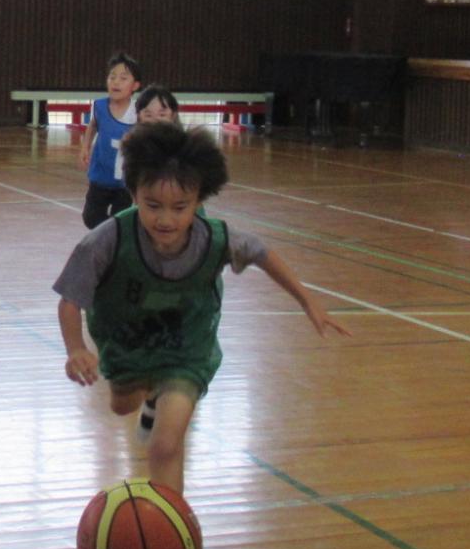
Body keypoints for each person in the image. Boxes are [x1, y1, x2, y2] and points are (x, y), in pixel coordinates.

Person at [55, 123, 349, 492]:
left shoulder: (214, 239)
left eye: (180, 207)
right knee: (121, 405)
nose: (166, 219)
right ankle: (151, 394)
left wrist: (308, 301)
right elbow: (69, 300)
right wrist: (76, 348)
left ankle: (174, 523)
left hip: (187, 349)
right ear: (133, 194)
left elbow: (261, 253)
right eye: (153, 205)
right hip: (127, 343)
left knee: (165, 446)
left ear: (199, 201)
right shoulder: (106, 241)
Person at [78, 51, 142, 227]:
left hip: (125, 182)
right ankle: (109, 233)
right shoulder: (99, 106)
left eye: (123, 78)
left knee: (120, 219)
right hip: (100, 176)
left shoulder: (138, 112)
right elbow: (93, 125)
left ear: (135, 85)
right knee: (90, 217)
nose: (116, 82)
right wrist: (85, 147)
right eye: (112, 77)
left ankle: (114, 236)